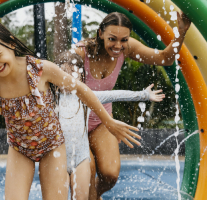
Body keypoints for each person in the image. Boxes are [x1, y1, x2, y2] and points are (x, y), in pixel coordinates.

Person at [0, 19, 141, 200]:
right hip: (20, 149)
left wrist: (107, 121)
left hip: (52, 146)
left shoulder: (39, 70)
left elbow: (81, 89)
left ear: (9, 43)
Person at [72, 12, 191, 199]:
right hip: (75, 124)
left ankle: (92, 194)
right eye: (112, 39)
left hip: (100, 122)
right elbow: (73, 96)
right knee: (87, 171)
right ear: (100, 33)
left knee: (110, 175)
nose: (118, 45)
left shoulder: (126, 49)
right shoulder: (80, 53)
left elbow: (165, 58)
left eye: (123, 39)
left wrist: (181, 32)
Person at [55, 52, 165, 199]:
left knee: (81, 197)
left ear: (81, 77)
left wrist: (143, 95)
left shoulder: (86, 96)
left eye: (72, 74)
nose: (67, 79)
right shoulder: (50, 99)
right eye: (63, 74)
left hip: (80, 159)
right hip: (57, 158)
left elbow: (114, 94)